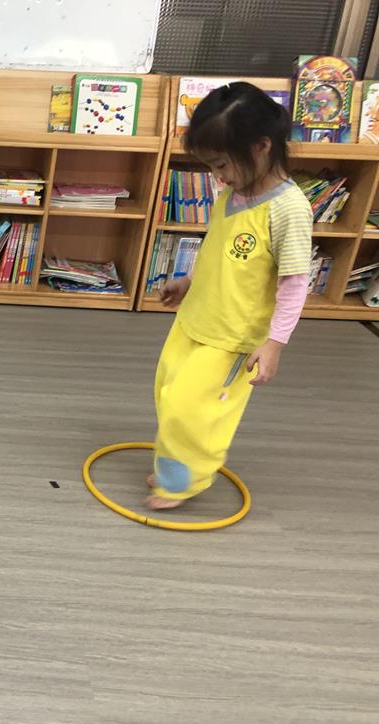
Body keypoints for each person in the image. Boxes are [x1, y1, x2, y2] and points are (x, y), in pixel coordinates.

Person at [148, 82, 312, 510]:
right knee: (168, 392)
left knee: (192, 409)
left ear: (261, 146)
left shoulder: (288, 209)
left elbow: (295, 283)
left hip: (232, 337)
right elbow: (218, 248)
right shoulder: (231, 193)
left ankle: (185, 479)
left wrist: (274, 343)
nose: (217, 176)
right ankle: (173, 465)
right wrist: (188, 282)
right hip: (196, 319)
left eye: (221, 164)